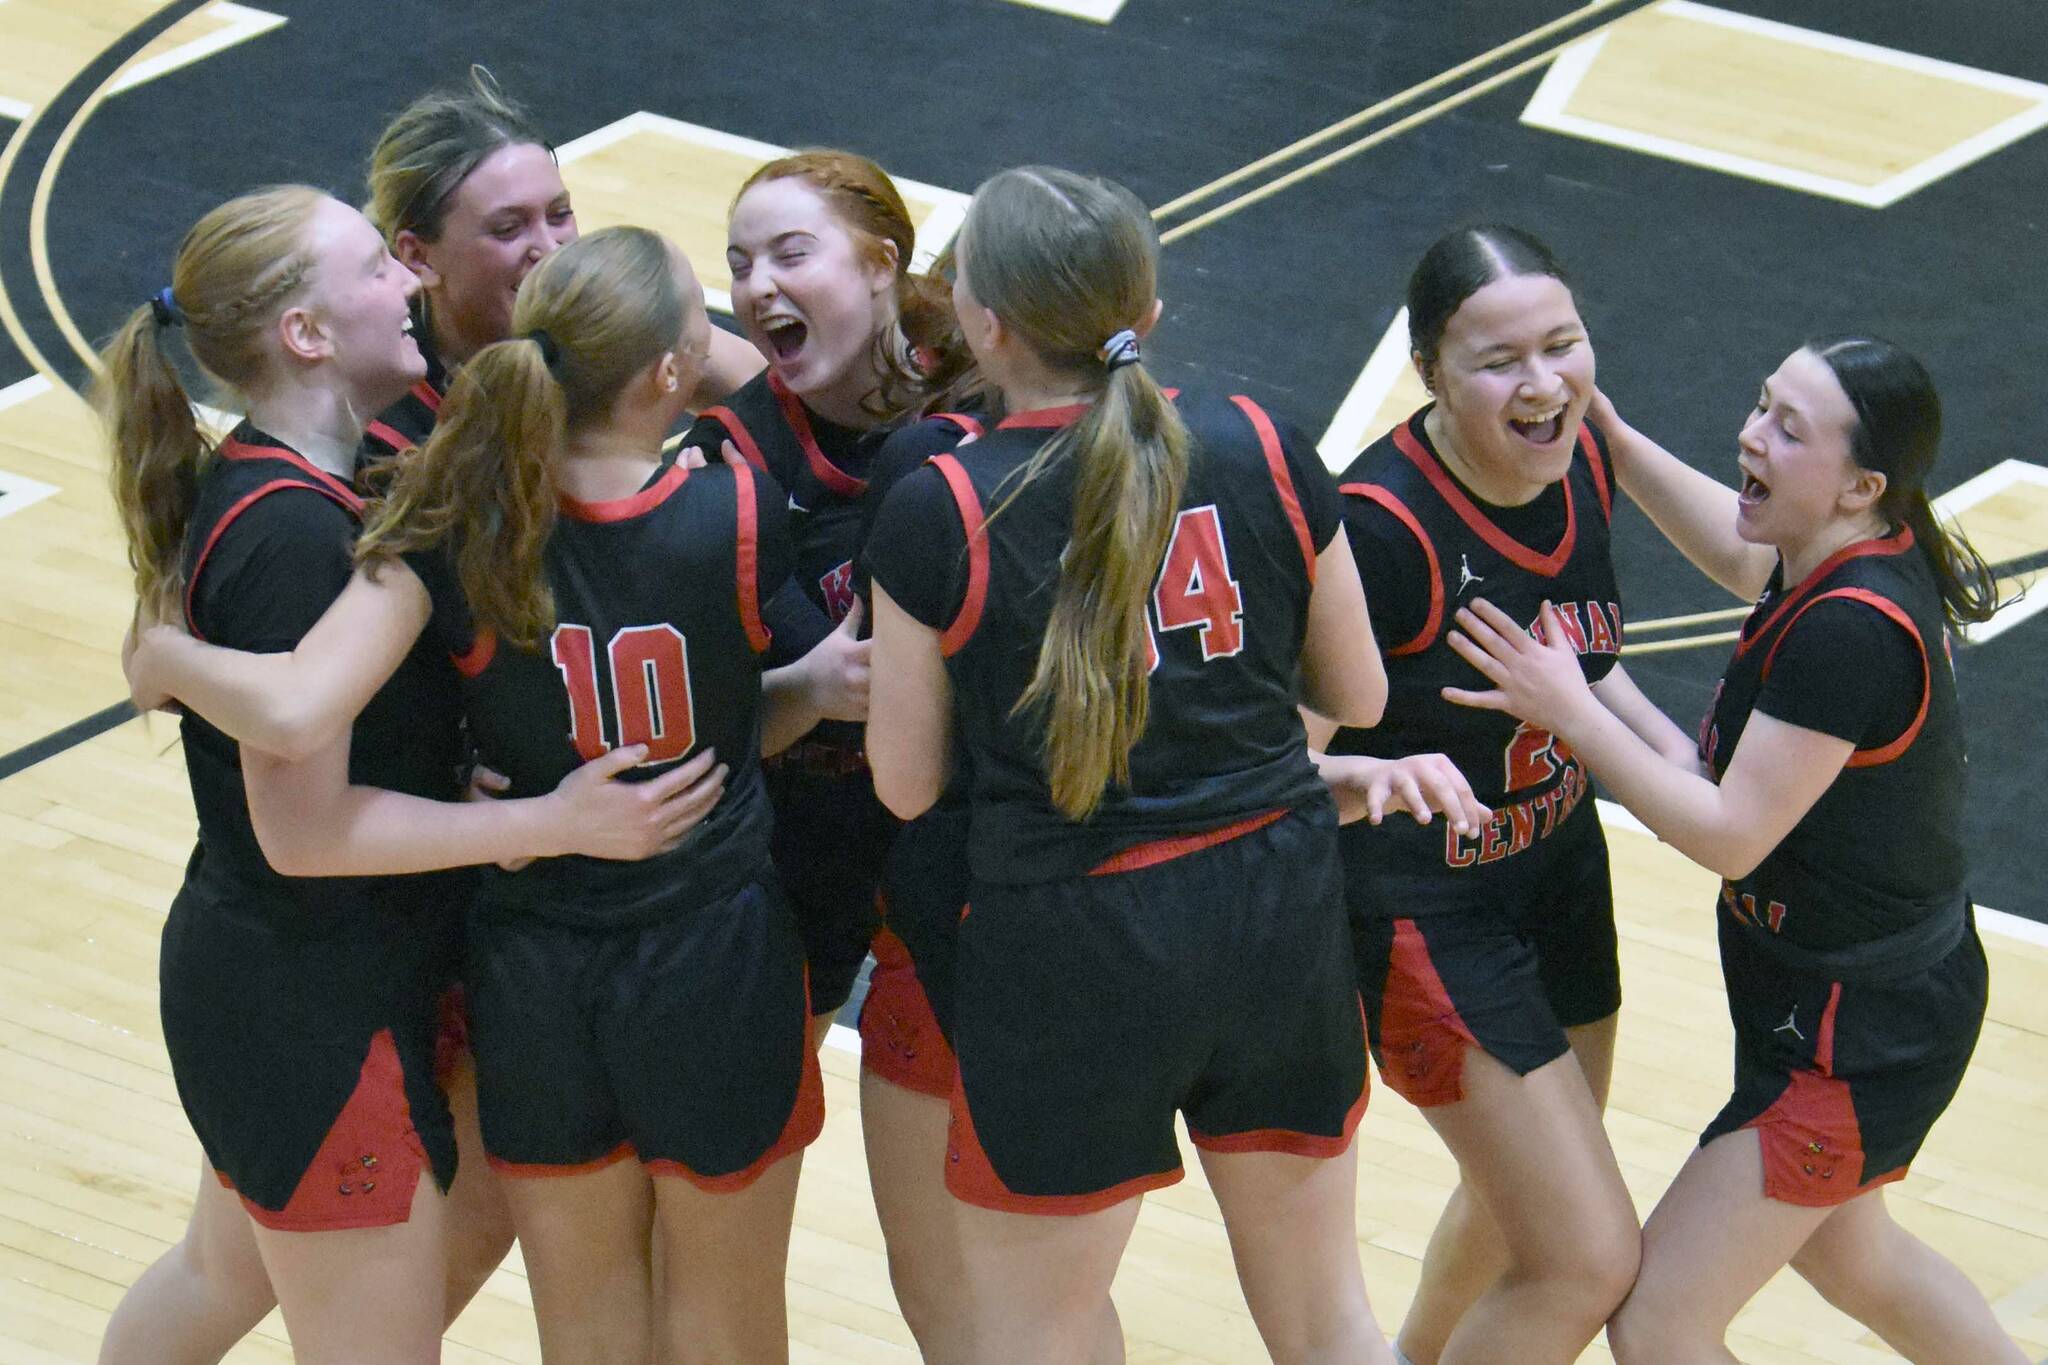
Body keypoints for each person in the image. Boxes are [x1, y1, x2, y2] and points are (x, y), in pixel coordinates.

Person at [126, 225, 823, 1364]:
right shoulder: (726, 510)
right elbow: (304, 745)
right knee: (722, 1308)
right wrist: (161, 662)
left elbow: (313, 702)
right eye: (378, 266)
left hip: (512, 967)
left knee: (552, 1307)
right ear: (670, 371)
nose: (410, 284)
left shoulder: (439, 525)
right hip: (655, 956)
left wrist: (165, 654)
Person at [866, 165, 1394, 1365]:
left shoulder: (941, 503)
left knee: (1039, 1339)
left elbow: (904, 786)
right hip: (1274, 901)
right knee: (1328, 1321)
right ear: (1145, 313)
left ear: (980, 325)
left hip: (1069, 943)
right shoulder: (1260, 438)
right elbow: (1355, 693)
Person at [1445, 337, 2024, 1363]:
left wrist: (1573, 712)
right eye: (1760, 405)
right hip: (1848, 1000)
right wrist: (1609, 441)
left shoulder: (1848, 632)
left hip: (1856, 1033)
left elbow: (1726, 832)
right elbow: (1734, 554)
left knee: (1657, 1319)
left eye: (1785, 430)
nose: (1749, 435)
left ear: (1858, 486)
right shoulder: (1837, 550)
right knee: (1851, 1257)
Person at [1322, 226, 1661, 1364]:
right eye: (1498, 360)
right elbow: (1262, 763)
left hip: (1558, 871)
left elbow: (1590, 665)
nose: (1543, 382)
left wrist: (1683, 761)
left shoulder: (1582, 462)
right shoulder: (1378, 532)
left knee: (1525, 1201)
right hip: (1427, 915)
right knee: (1584, 1258)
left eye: (1561, 344)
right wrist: (1372, 778)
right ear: (1429, 371)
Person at [685, 149, 971, 1044]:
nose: (758, 286)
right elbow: (737, 712)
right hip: (809, 826)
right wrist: (816, 680)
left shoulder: (981, 384)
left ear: (883, 263)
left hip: (964, 814)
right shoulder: (729, 456)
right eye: (738, 264)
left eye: (791, 254)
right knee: (767, 1092)